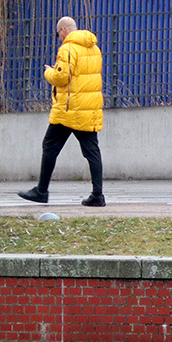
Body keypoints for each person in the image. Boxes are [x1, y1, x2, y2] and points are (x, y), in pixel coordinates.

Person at [20, 16, 106, 207]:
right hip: (88, 109)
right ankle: (98, 195)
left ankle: (41, 191)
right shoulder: (94, 48)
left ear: (64, 30)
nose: (58, 37)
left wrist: (48, 72)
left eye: (58, 33)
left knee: (49, 146)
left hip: (68, 109)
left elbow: (61, 77)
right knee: (92, 151)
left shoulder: (67, 49)